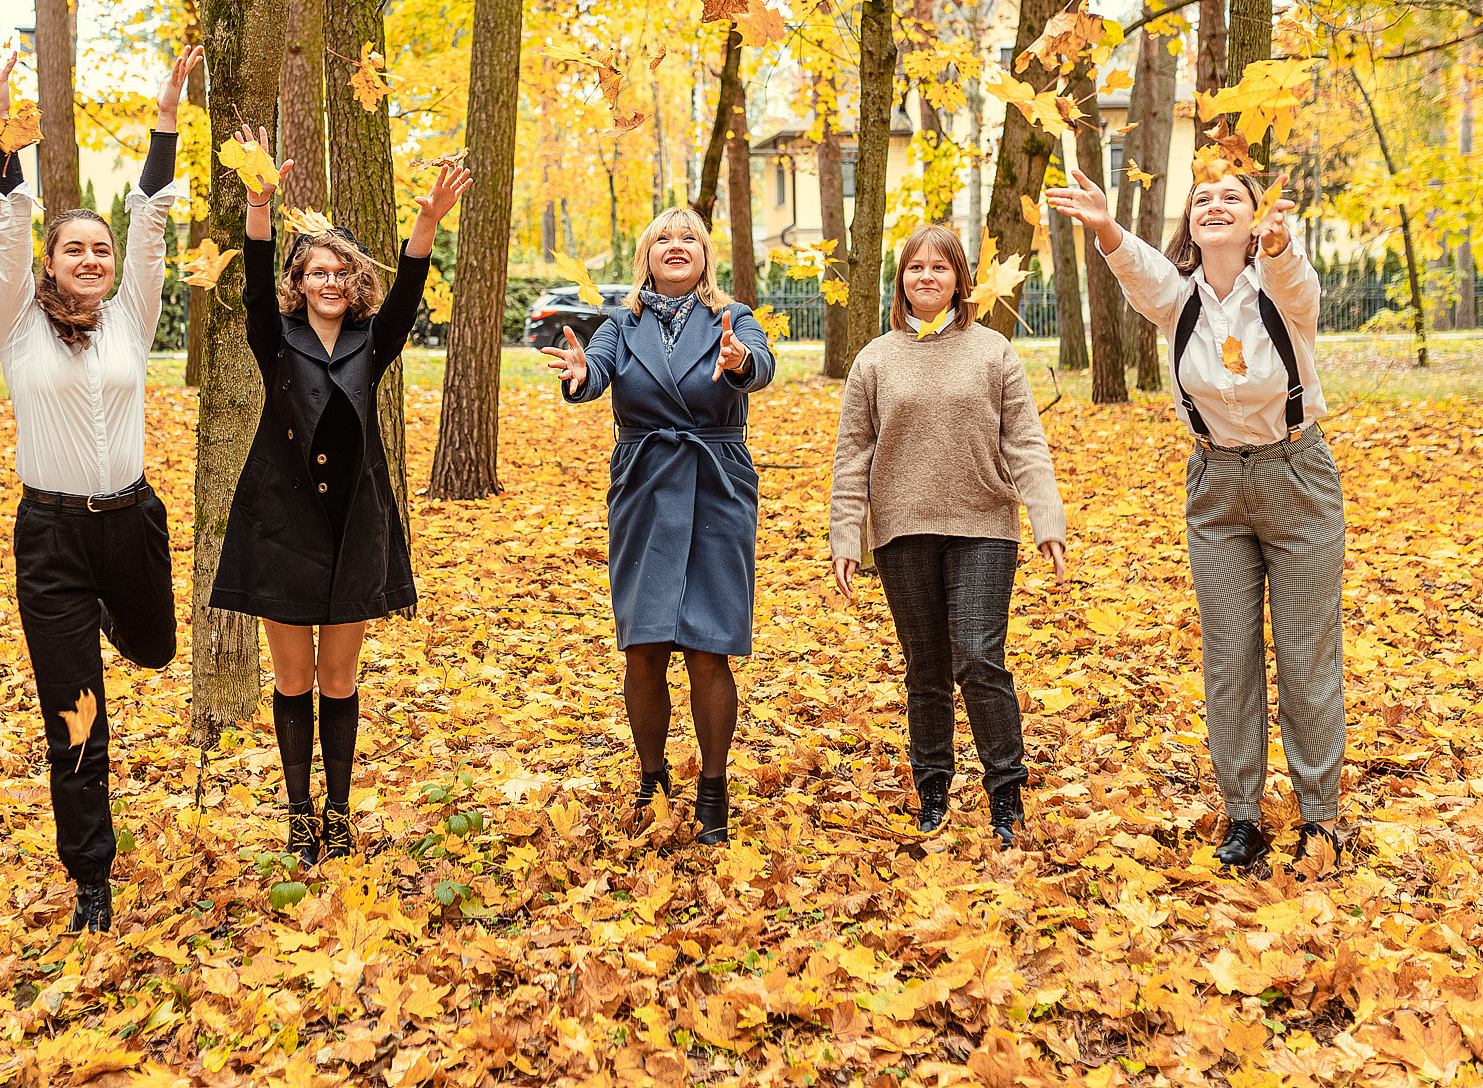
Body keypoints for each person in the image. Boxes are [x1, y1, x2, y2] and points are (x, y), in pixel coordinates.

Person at [0, 37, 198, 932]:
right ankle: (90, 875)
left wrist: (165, 120)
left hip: (131, 522)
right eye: (77, 250)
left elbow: (152, 218)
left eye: (100, 248)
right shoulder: (16, 320)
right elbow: (8, 218)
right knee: (76, 712)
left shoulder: (134, 314)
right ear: (51, 264)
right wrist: (1, 115)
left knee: (157, 651)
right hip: (52, 538)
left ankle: (113, 610)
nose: (94, 258)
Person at [1048, 164, 1345, 872]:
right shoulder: (1180, 303)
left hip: (1297, 476)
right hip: (1215, 486)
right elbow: (1139, 269)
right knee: (1229, 659)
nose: (1215, 206)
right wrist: (1105, 224)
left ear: (1254, 219)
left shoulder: (1280, 285)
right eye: (1202, 198)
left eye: (1231, 198)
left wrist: (1277, 249)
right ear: (1191, 221)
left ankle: (1320, 819)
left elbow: (1300, 286)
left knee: (1307, 657)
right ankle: (1242, 815)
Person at [213, 142, 471, 867]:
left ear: (356, 282)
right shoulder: (276, 334)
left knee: (339, 679)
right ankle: (298, 815)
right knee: (293, 680)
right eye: (315, 270)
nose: (328, 280)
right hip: (283, 524)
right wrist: (260, 207)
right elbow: (254, 289)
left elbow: (409, 298)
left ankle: (336, 809)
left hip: (354, 523)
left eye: (341, 271)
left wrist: (424, 228)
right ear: (300, 280)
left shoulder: (370, 338)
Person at [827, 224, 1067, 849]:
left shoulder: (994, 352)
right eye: (914, 268)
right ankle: (933, 788)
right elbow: (853, 454)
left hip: (983, 526)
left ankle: (1005, 794)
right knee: (925, 669)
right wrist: (847, 537)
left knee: (980, 660)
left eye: (940, 268)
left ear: (961, 280)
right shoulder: (874, 359)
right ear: (900, 281)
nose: (926, 277)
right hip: (901, 531)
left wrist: (1047, 519)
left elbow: (1024, 441)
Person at [543, 206, 776, 845]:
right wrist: (583, 374)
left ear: (706, 256)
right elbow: (595, 372)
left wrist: (736, 363)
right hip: (644, 488)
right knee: (642, 645)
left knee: (709, 645)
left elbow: (759, 363)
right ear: (646, 256)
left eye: (690, 239)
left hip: (717, 487)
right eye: (663, 240)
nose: (676, 247)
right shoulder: (621, 323)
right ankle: (651, 778)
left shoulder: (736, 317)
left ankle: (714, 789)